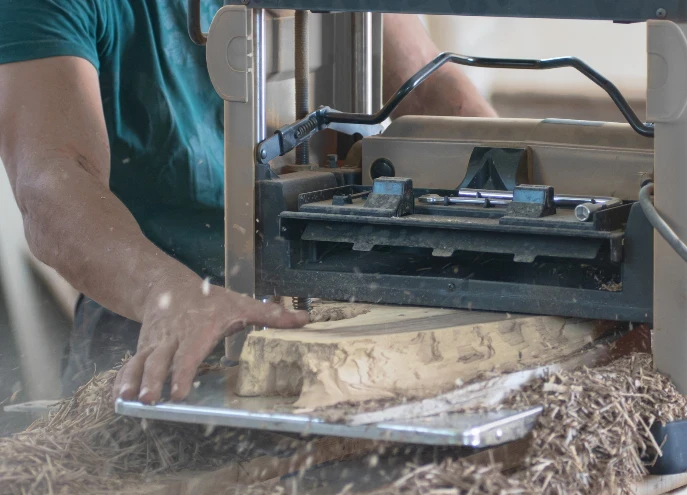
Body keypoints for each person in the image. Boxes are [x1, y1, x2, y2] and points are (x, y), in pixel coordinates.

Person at [0, 3, 495, 405]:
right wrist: (165, 293)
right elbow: (53, 179)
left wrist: (524, 208)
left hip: (335, 293)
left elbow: (429, 95)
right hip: (150, 304)